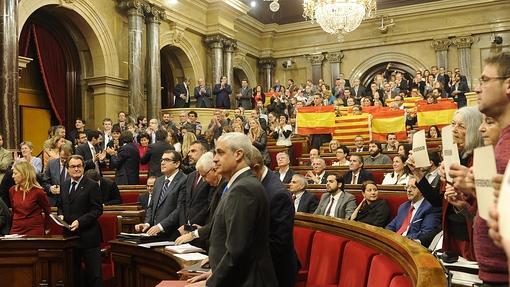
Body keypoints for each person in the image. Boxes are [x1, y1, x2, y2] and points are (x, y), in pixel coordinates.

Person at [205, 132, 278, 286]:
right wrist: (214, 273)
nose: (215, 159)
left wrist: (211, 283)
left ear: (238, 154)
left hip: (247, 280)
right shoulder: (238, 185)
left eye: (220, 152)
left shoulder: (243, 189)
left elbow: (237, 250)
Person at [250, 147, 297, 287]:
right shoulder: (259, 184)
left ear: (256, 168)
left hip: (274, 272)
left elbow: (278, 243)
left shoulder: (278, 194)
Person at [57, 155, 103, 287]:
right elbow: (60, 205)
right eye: (73, 166)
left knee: (94, 276)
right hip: (70, 238)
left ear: (83, 167)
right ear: (68, 169)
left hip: (88, 237)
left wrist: (80, 222)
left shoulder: (92, 185)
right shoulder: (64, 185)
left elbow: (97, 210)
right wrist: (60, 215)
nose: (76, 169)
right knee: (74, 275)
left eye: (79, 166)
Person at [174, 152, 226, 248]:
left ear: (213, 170)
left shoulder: (224, 186)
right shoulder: (216, 185)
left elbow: (220, 221)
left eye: (204, 176)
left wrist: (195, 233)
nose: (204, 180)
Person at [135, 150, 187, 240]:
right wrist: (147, 224)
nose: (162, 163)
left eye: (166, 160)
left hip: (172, 233)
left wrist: (161, 226)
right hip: (154, 232)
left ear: (177, 164)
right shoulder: (159, 180)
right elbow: (151, 206)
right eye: (162, 160)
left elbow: (180, 209)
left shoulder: (184, 180)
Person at [386, 176, 441, 247]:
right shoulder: (403, 206)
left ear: (422, 190)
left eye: (413, 187)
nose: (409, 190)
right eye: (407, 187)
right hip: (396, 244)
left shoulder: (430, 207)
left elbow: (426, 233)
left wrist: (401, 239)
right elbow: (391, 226)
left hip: (412, 246)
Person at [9, 162, 51, 236]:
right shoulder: (12, 190)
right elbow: (14, 210)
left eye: (15, 173)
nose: (13, 176)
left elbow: (47, 211)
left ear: (24, 174)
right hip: (16, 228)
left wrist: (47, 228)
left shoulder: (38, 192)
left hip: (34, 229)